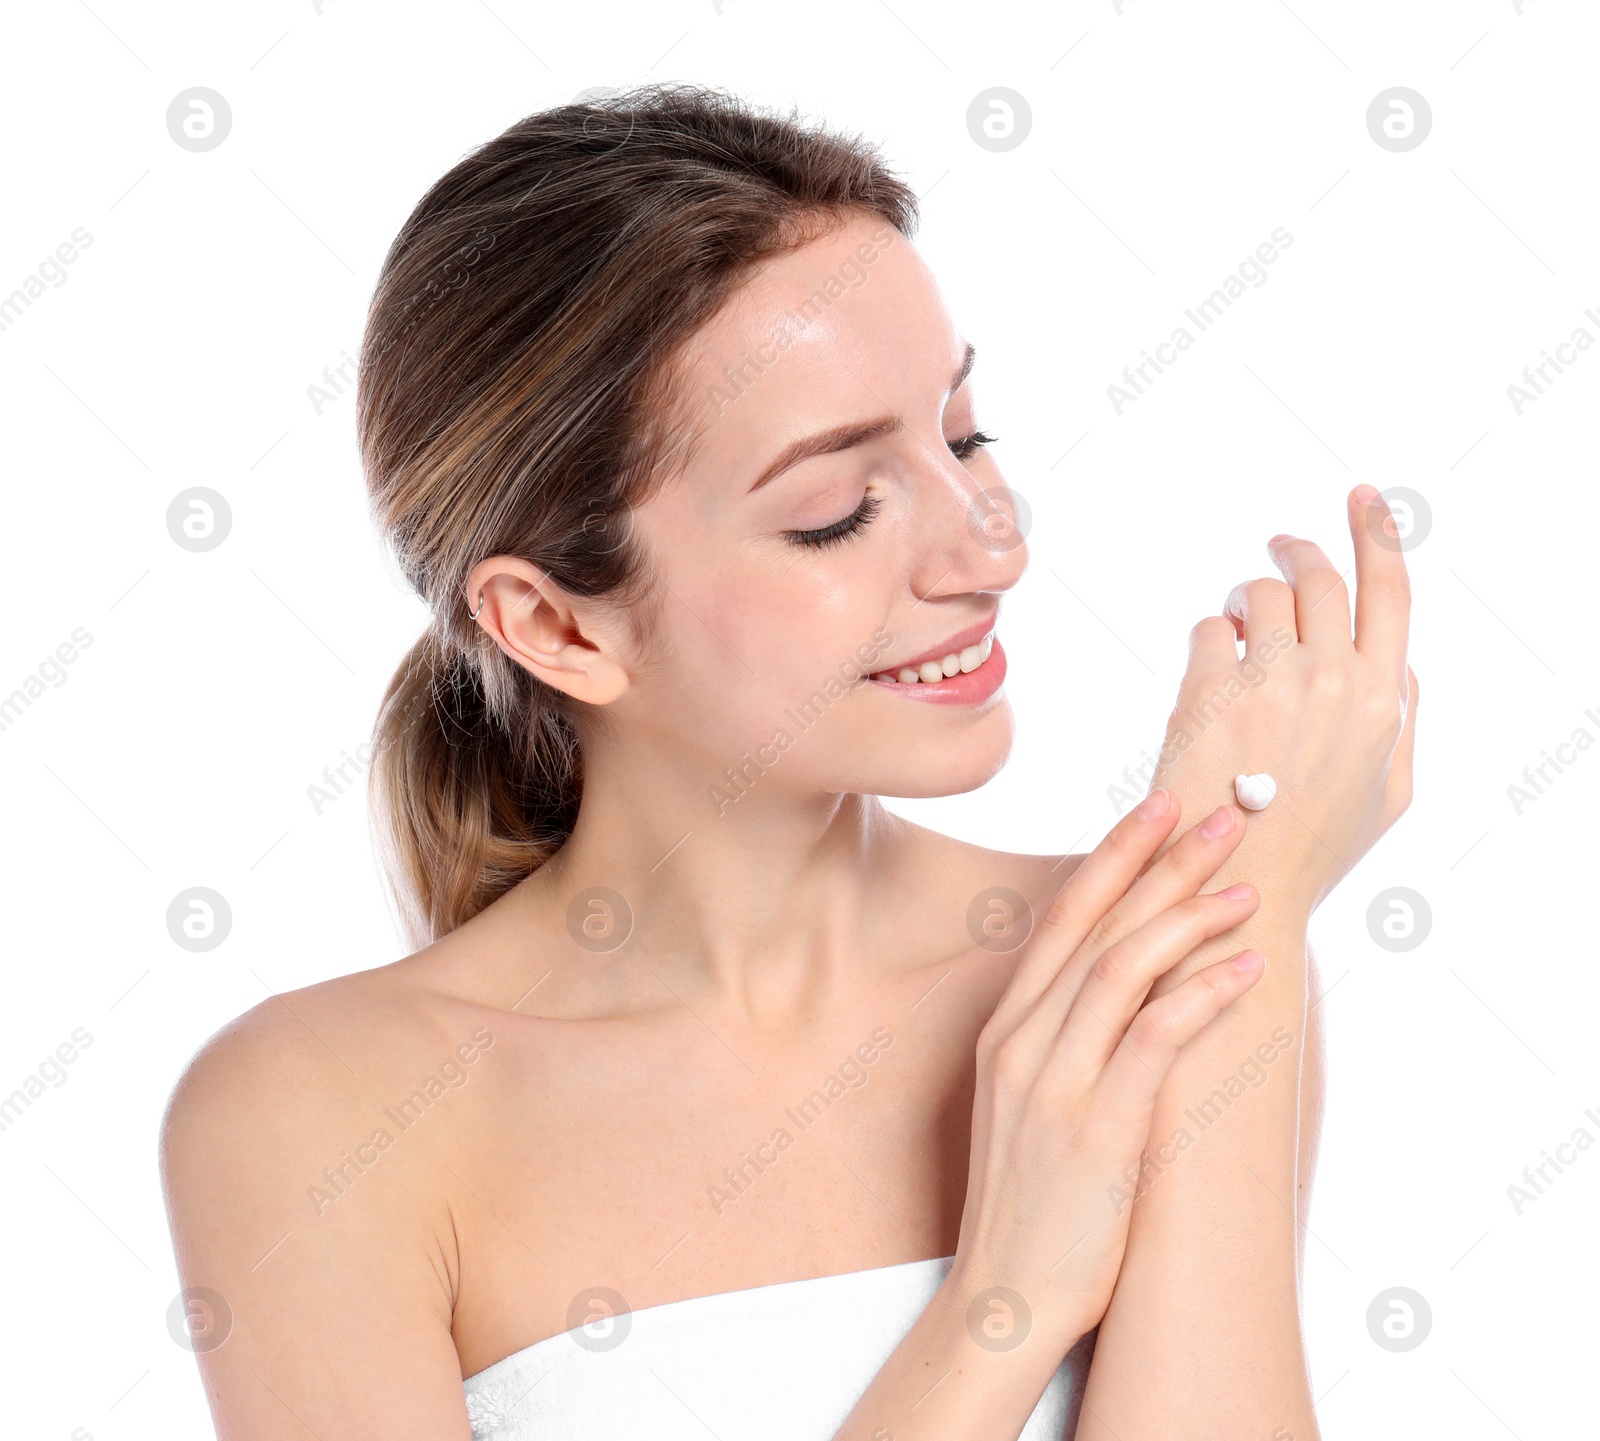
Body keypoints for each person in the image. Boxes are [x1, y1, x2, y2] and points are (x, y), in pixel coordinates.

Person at [159, 82, 1416, 1439]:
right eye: (836, 509)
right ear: (557, 624)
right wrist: (1002, 1298)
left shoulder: (1144, 957)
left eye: (962, 433)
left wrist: (1242, 900)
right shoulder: (315, 1118)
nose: (992, 546)